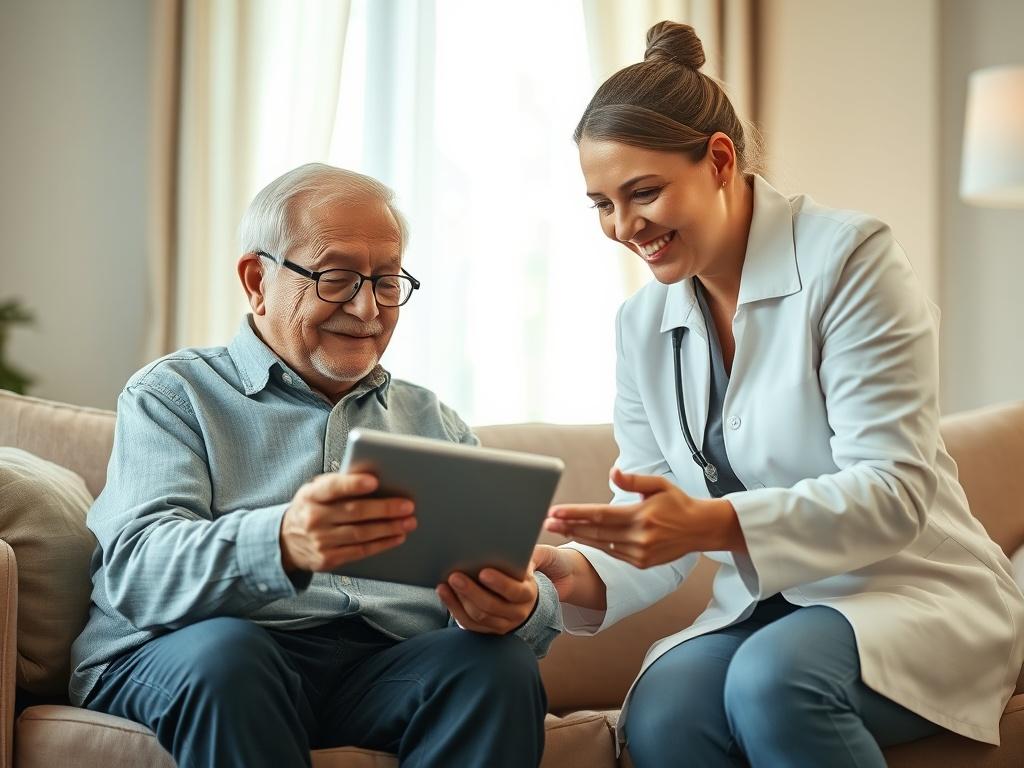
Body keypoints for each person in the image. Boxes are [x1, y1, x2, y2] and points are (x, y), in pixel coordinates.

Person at [532, 21, 1024, 768]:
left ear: (719, 161)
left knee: (774, 682)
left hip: (910, 591)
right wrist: (580, 571)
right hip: (770, 609)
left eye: (644, 193)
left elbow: (894, 491)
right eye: (601, 204)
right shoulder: (642, 324)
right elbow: (659, 518)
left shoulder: (851, 261)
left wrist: (716, 522)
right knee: (663, 710)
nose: (624, 227)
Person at [70, 163, 561, 768]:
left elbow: (517, 585)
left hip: (375, 670)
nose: (366, 309)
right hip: (204, 652)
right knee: (232, 658)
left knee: (497, 666)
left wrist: (525, 607)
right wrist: (282, 540)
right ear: (257, 280)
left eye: (386, 282)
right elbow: (136, 572)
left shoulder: (434, 422)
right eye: (336, 277)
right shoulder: (174, 395)